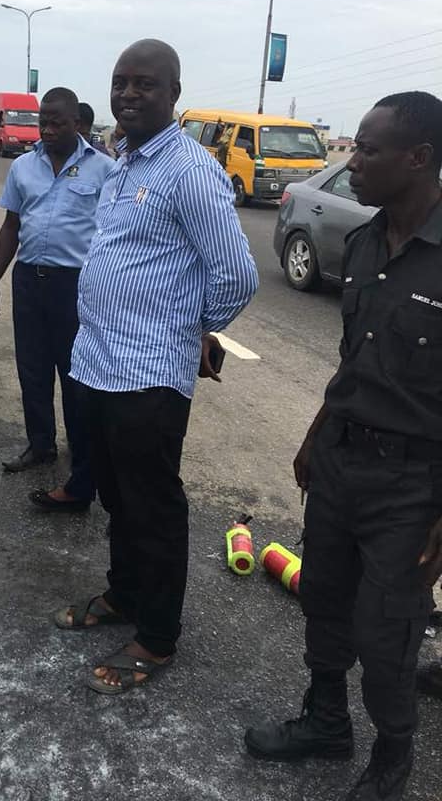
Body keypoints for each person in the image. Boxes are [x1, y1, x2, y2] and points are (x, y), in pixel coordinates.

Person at [245, 91, 442, 801]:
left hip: (412, 483)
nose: (351, 162)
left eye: (367, 149)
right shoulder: (362, 244)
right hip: (340, 460)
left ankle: (393, 757)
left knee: (386, 631)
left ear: (418, 158)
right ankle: (326, 720)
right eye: (353, 146)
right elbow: (354, 363)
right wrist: (314, 436)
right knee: (324, 600)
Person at [55, 39, 258, 692]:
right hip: (96, 362)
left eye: (144, 84)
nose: (128, 94)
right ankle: (124, 595)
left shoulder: (189, 170)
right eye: (121, 82)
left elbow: (237, 275)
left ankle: (158, 637)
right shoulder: (123, 161)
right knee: (116, 496)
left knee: (153, 506)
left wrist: (192, 332)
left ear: (173, 93)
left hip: (147, 375)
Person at [0, 87, 114, 512]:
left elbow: (115, 234)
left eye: (57, 123)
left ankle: (80, 453)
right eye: (44, 122)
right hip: (29, 281)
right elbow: (11, 225)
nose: (48, 130)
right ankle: (40, 445)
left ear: (77, 124)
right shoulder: (23, 166)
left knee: (76, 375)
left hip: (75, 286)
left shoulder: (105, 170)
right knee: (33, 369)